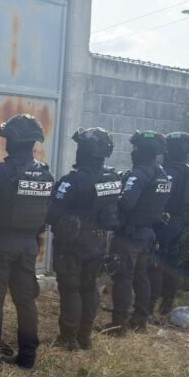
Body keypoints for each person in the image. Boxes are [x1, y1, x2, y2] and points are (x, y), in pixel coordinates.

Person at [0, 114, 53, 371]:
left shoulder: (1, 172)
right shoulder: (45, 174)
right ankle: (27, 356)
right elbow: (48, 212)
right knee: (25, 301)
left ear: (12, 141)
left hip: (0, 243)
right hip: (28, 244)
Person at [46, 128, 121, 351]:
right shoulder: (112, 178)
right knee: (89, 288)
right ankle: (84, 337)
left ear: (85, 150)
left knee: (71, 289)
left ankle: (68, 338)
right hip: (98, 242)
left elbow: (53, 213)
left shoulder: (72, 181)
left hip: (73, 244)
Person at [104, 131, 171, 336]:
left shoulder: (139, 173)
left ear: (143, 150)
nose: (133, 151)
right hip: (147, 234)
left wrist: (110, 197)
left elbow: (126, 202)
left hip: (129, 236)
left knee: (123, 279)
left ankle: (118, 326)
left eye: (135, 148)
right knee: (142, 277)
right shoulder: (161, 173)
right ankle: (140, 321)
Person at [148, 132, 189, 316]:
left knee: (156, 262)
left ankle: (149, 306)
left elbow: (161, 196)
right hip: (178, 220)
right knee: (172, 262)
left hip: (165, 220)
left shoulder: (171, 172)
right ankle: (167, 301)